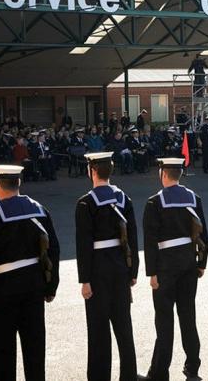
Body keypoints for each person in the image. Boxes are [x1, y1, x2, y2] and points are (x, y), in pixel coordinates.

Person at [0, 165, 60, 381]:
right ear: (19, 183)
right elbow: (54, 251)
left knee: (1, 353)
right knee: (35, 349)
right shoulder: (40, 210)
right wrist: (50, 286)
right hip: (34, 286)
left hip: (3, 289)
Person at [139, 158, 208, 380]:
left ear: (163, 174)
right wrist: (201, 264)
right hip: (189, 262)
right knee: (188, 316)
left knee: (164, 321)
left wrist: (152, 273)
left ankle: (159, 372)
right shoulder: (193, 198)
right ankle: (193, 365)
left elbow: (150, 242)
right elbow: (204, 235)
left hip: (165, 266)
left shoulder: (154, 202)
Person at [76, 152, 139, 380]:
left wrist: (85, 280)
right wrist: (133, 271)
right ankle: (129, 375)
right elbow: (133, 237)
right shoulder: (124, 199)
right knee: (124, 326)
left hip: (97, 270)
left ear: (92, 171)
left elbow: (83, 244)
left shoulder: (85, 202)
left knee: (98, 329)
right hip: (121, 267)